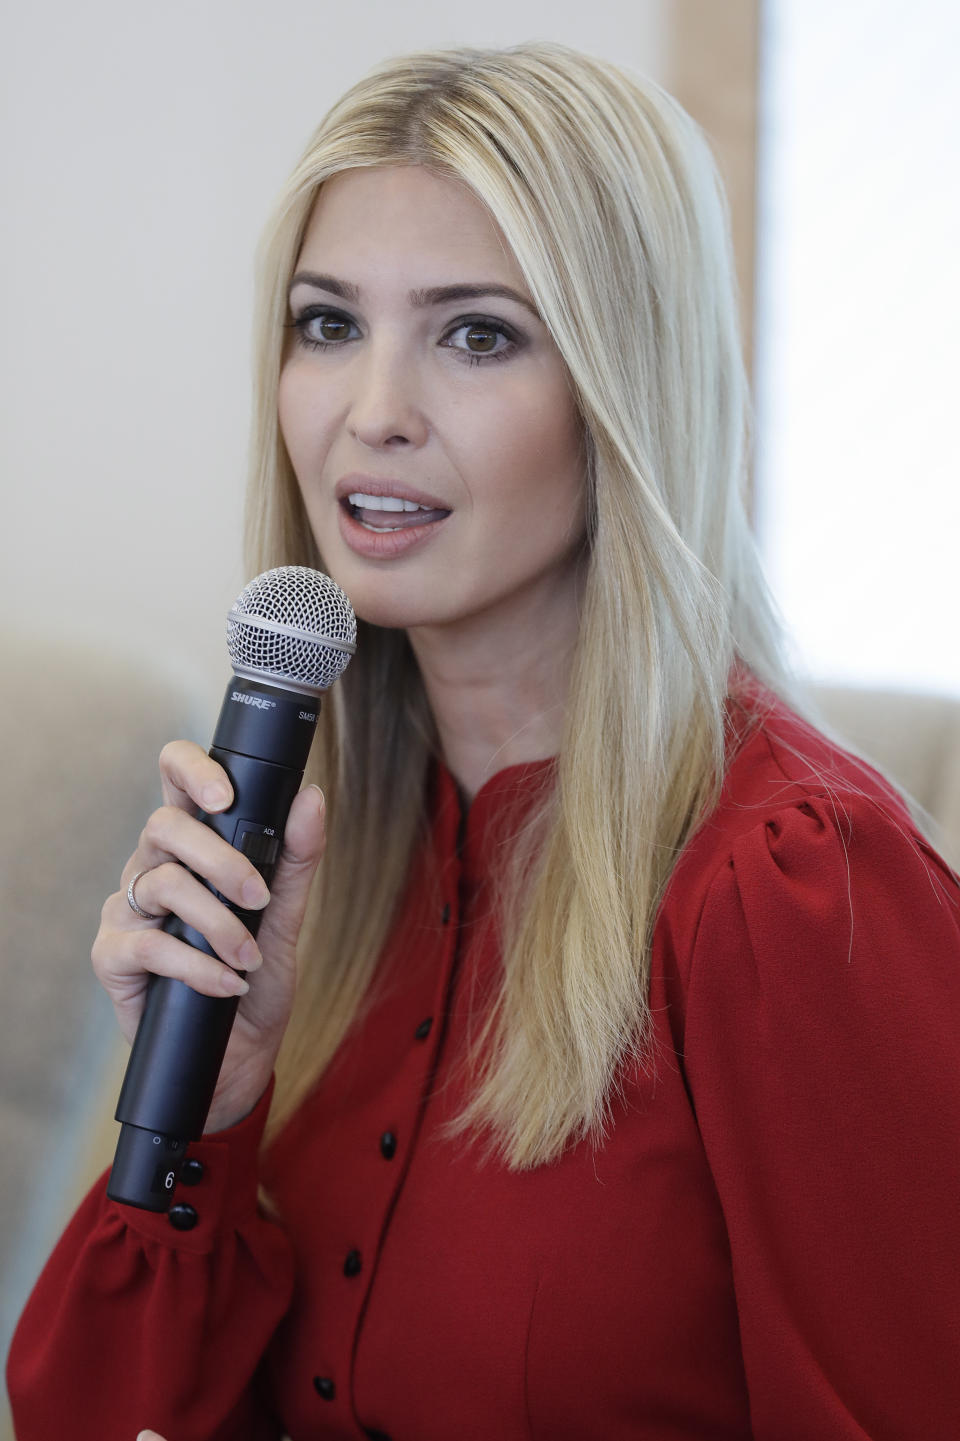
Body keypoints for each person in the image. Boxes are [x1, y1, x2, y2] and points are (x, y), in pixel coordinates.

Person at [7, 42, 960, 1441]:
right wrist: (200, 1115)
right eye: (327, 323)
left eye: (476, 333)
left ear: (622, 392)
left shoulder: (795, 884)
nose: (371, 411)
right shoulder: (317, 867)